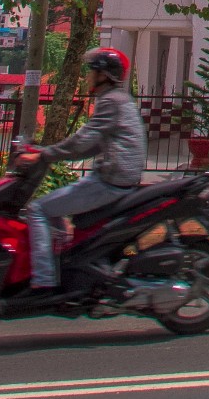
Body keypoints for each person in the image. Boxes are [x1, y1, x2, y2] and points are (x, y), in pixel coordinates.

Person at [18, 47, 146, 290]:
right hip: (119, 178)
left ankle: (44, 281)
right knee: (54, 208)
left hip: (110, 182)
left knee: (38, 209)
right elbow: (93, 145)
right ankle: (64, 257)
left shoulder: (110, 101)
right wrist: (51, 153)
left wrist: (45, 154)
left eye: (92, 71)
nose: (88, 76)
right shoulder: (121, 100)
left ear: (104, 75)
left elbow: (83, 140)